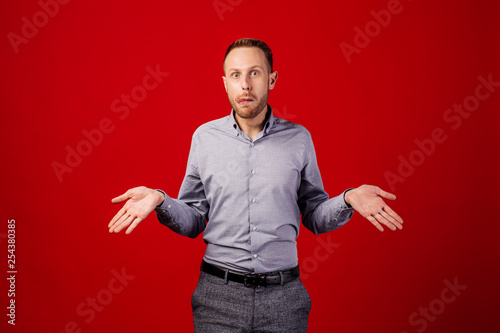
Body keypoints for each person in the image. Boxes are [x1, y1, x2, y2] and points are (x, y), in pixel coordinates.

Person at [108, 38, 403, 332]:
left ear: (272, 79)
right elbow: (195, 220)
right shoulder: (204, 138)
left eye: (255, 73)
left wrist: (348, 198)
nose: (245, 85)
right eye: (236, 75)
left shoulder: (299, 139)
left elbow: (314, 216)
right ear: (225, 83)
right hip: (217, 298)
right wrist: (161, 200)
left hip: (285, 299)